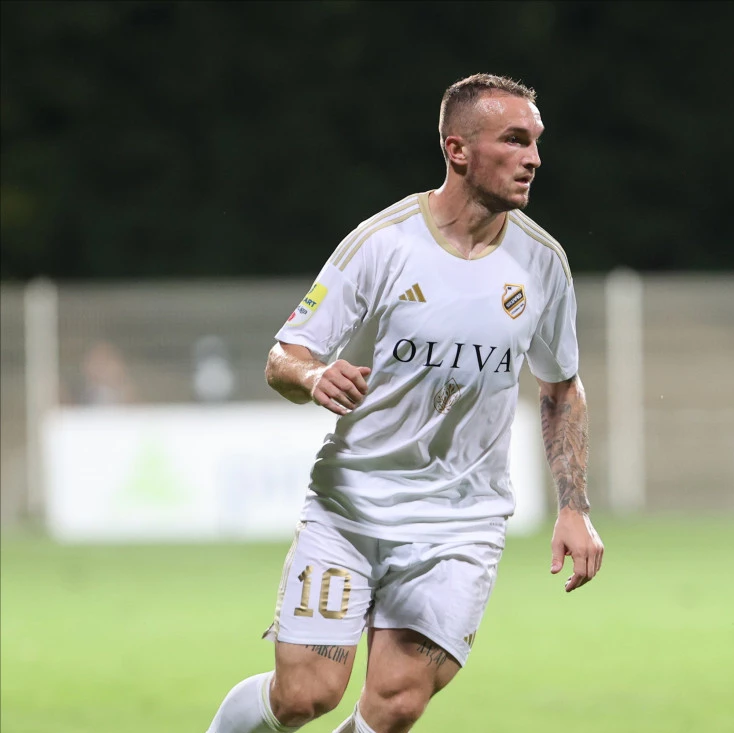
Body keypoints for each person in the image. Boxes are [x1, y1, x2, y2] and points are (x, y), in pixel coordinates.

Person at [206, 73, 604, 733]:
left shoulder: (542, 263)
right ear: (458, 149)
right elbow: (284, 356)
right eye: (514, 139)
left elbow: (561, 385)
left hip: (461, 522)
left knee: (395, 702)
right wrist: (313, 376)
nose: (534, 157)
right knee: (305, 694)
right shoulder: (383, 242)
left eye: (536, 141)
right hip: (353, 507)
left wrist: (574, 506)